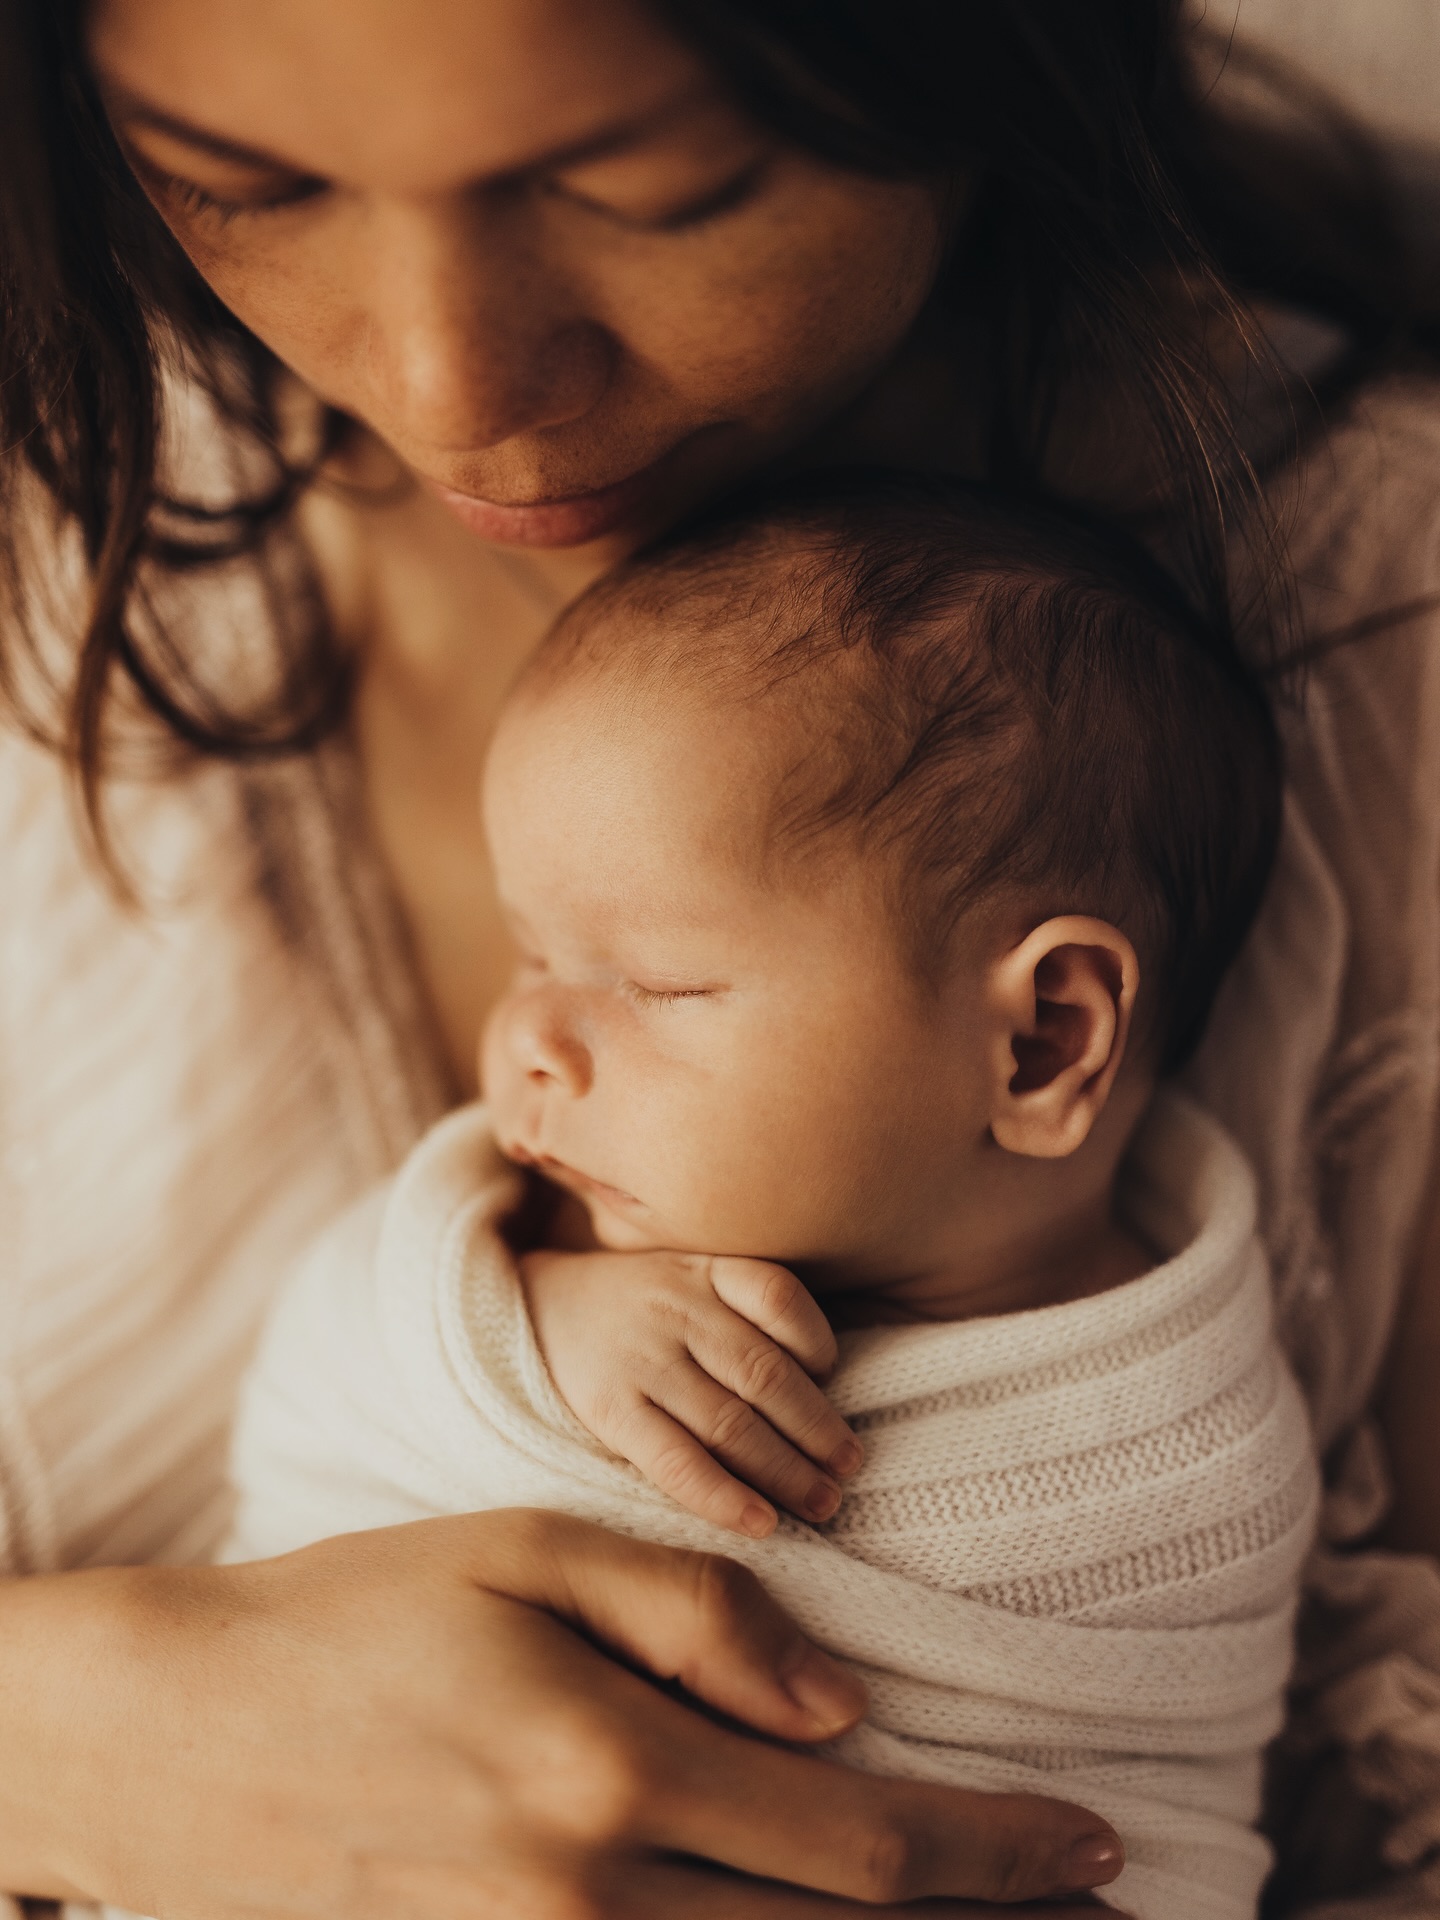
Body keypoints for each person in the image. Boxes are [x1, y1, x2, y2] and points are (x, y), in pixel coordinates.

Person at [0, 2, 1436, 1916]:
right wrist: (73, 1732)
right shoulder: (53, 510)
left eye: (648, 186)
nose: (454, 386)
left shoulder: (1391, 670)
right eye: (239, 183)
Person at [224, 475, 1320, 1920]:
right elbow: (323, 1397)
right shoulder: (537, 1255)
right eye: (531, 955)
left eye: (656, 984)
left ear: (1043, 1039)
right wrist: (536, 1336)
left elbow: (1158, 1829)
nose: (531, 1042)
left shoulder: (1183, 1449)